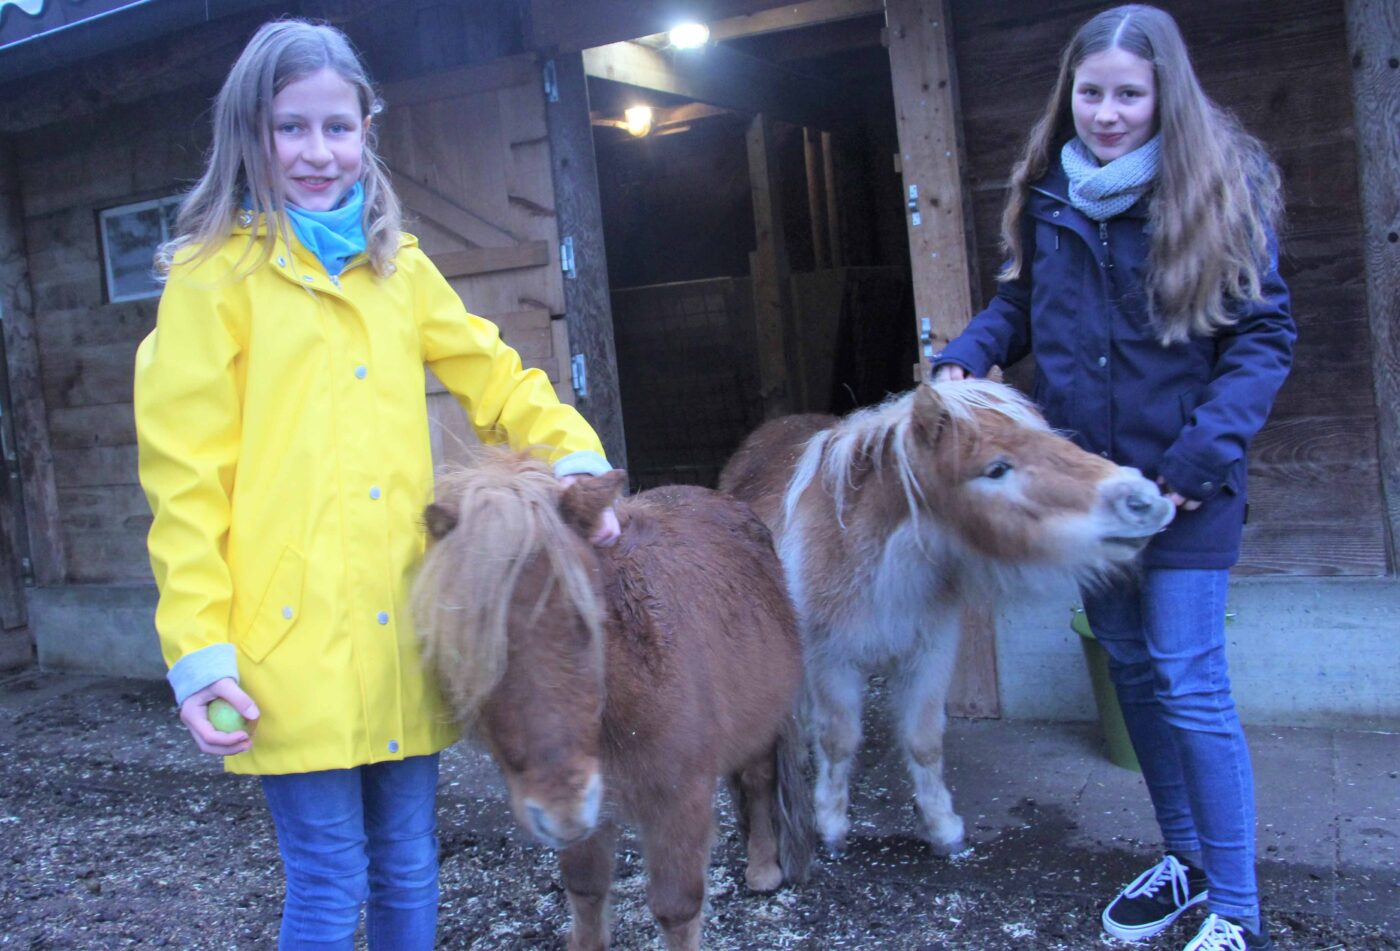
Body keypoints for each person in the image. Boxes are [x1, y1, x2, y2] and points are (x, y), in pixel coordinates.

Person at [133, 19, 619, 950]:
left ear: (367, 131)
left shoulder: (400, 269)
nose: (317, 152)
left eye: (337, 127)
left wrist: (572, 454)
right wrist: (199, 649)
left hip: (402, 630)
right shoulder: (210, 281)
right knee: (328, 879)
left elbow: (497, 377)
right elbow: (184, 482)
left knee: (409, 863)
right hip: (286, 645)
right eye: (291, 127)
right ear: (249, 135)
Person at [933, 6, 1292, 950]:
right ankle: (1185, 859)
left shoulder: (1216, 191)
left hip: (1186, 486)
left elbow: (1263, 336)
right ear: (1071, 93)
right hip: (1088, 490)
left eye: (1129, 94)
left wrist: (1199, 460)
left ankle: (1238, 908)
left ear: (1165, 95)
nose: (1107, 113)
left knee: (1188, 680)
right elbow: (1019, 302)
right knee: (1131, 665)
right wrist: (968, 354)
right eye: (1091, 92)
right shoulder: (1051, 192)